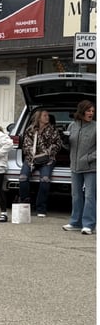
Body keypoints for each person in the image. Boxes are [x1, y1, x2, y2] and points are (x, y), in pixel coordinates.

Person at [18, 108, 61, 217]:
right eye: (45, 115)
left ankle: (41, 208)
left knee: (45, 180)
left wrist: (48, 152)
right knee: (23, 177)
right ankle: (25, 205)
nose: (48, 117)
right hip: (31, 159)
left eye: (48, 116)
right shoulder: (30, 130)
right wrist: (32, 155)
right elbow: (26, 145)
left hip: (47, 159)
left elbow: (57, 144)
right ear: (39, 118)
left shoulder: (53, 130)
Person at [63, 100, 96, 235]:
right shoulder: (72, 126)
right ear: (81, 111)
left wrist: (88, 158)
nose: (91, 113)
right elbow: (69, 147)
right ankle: (76, 222)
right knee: (76, 195)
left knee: (89, 196)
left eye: (93, 111)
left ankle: (88, 224)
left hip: (91, 167)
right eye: (88, 111)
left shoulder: (96, 127)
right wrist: (64, 142)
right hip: (75, 167)